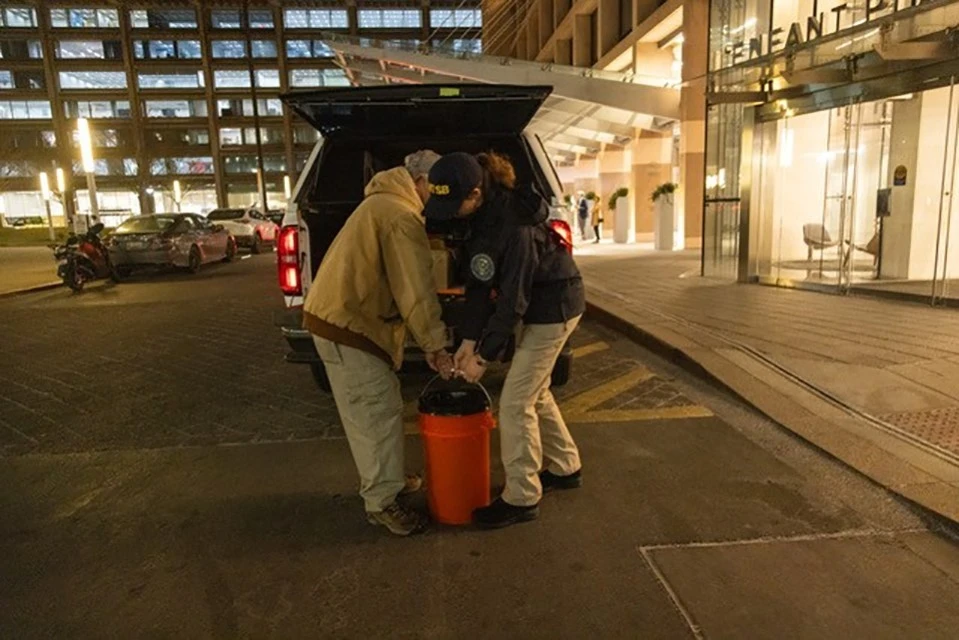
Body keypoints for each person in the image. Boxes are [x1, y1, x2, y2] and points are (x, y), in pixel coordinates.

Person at [424, 152, 586, 530]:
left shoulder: (514, 225)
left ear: (476, 193)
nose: (449, 214)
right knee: (535, 391)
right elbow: (479, 287)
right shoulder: (480, 218)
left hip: (555, 308)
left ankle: (522, 497)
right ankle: (566, 467)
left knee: (515, 402)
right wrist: (467, 341)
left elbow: (512, 301)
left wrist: (483, 356)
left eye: (454, 204)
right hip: (538, 307)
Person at [303, 150, 454, 536]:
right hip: (349, 324)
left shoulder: (382, 203)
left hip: (340, 318)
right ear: (419, 182)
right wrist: (436, 345)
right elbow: (415, 290)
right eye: (436, 187)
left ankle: (387, 479)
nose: (438, 195)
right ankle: (383, 502)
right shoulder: (400, 216)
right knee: (376, 411)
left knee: (372, 410)